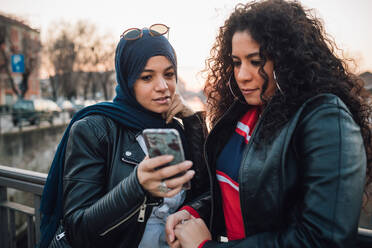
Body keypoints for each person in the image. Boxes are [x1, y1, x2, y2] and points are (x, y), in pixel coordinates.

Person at [165, 1, 372, 247]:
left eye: (256, 61)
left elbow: (322, 238)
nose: (242, 75)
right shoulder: (242, 113)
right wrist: (196, 212)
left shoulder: (326, 120)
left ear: (286, 60)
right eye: (237, 62)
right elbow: (245, 195)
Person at [38, 24, 208, 248]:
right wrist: (136, 185)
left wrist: (192, 122)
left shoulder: (174, 129)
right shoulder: (95, 129)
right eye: (147, 77)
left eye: (169, 74)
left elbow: (209, 194)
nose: (163, 86)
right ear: (128, 81)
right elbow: (78, 229)